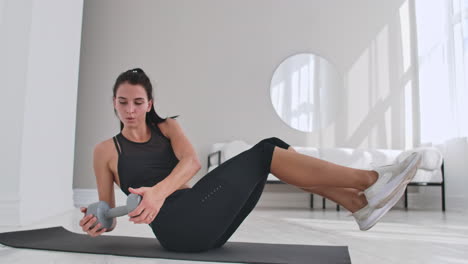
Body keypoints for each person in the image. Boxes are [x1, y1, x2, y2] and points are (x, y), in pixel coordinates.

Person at [79, 68, 421, 253]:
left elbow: (192, 164)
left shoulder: (167, 127)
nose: (130, 110)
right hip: (177, 231)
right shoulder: (105, 151)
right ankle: (370, 181)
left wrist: (157, 192)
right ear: (114, 103)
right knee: (266, 153)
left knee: (275, 146)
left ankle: (355, 202)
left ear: (149, 103)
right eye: (123, 102)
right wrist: (99, 220)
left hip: (201, 218)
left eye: (138, 102)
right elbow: (108, 213)